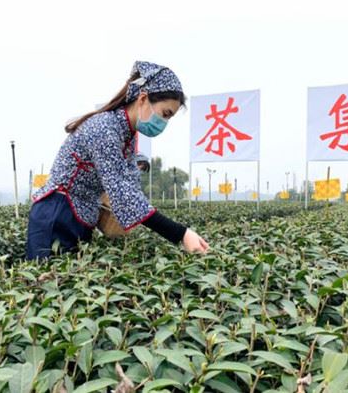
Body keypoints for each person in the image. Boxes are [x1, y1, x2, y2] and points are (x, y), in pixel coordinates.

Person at [26, 61, 210, 260]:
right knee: (46, 282)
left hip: (81, 217)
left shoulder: (127, 136)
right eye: (165, 114)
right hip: (57, 214)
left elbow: (131, 189)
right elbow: (124, 195)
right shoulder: (105, 128)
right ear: (143, 98)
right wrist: (181, 234)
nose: (163, 123)